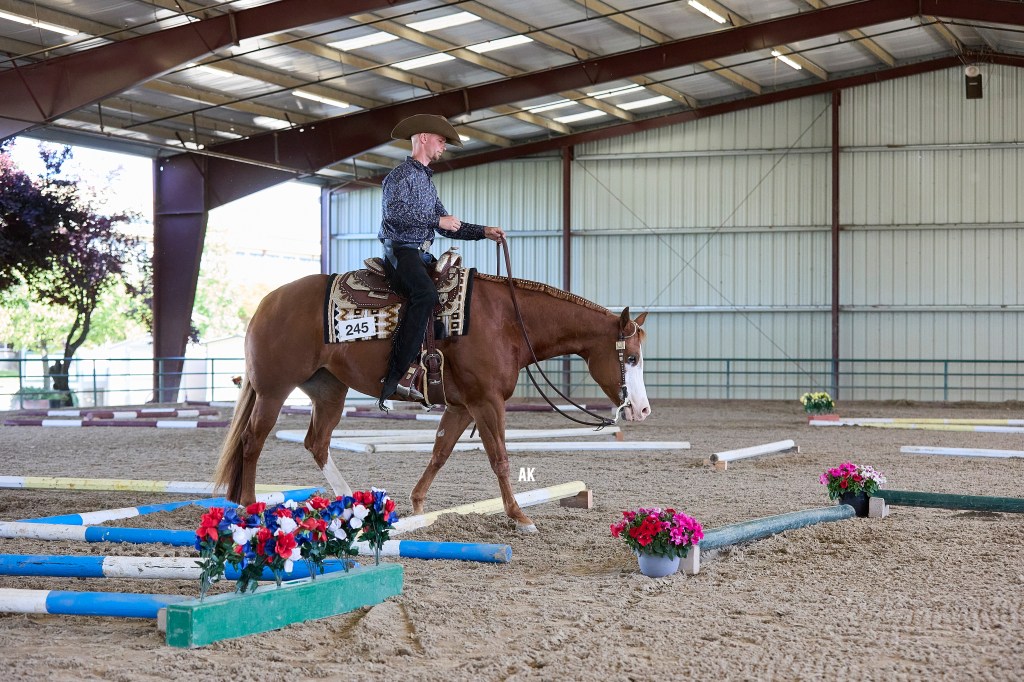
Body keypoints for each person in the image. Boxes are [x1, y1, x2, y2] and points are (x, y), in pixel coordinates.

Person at [378, 114, 506, 406]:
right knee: (424, 295)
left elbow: (448, 226)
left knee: (454, 293)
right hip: (401, 251)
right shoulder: (399, 176)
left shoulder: (426, 181)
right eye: (441, 140)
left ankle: (439, 365)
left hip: (421, 253)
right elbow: (394, 215)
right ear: (423, 138)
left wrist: (483, 231)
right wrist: (437, 220)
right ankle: (398, 376)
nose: (444, 146)